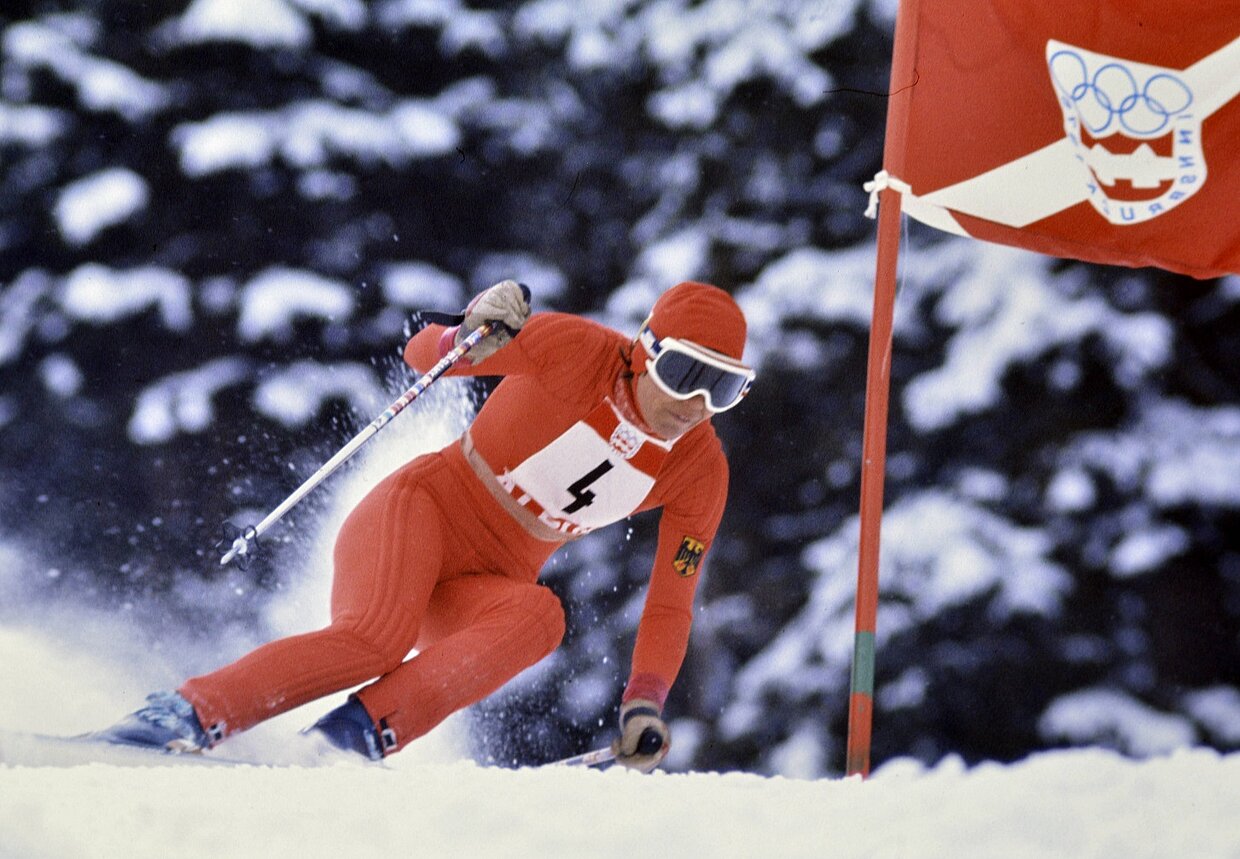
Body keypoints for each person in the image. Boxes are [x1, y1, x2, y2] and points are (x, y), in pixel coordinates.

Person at [105, 279, 755, 771]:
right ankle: (184, 712)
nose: (695, 405)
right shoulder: (576, 349)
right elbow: (427, 356)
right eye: (685, 374)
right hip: (421, 512)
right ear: (647, 351)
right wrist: (471, 329)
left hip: (487, 580)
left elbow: (672, 601)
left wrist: (644, 699)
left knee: (541, 619)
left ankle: (345, 743)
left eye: (721, 388)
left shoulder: (702, 469)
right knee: (373, 642)